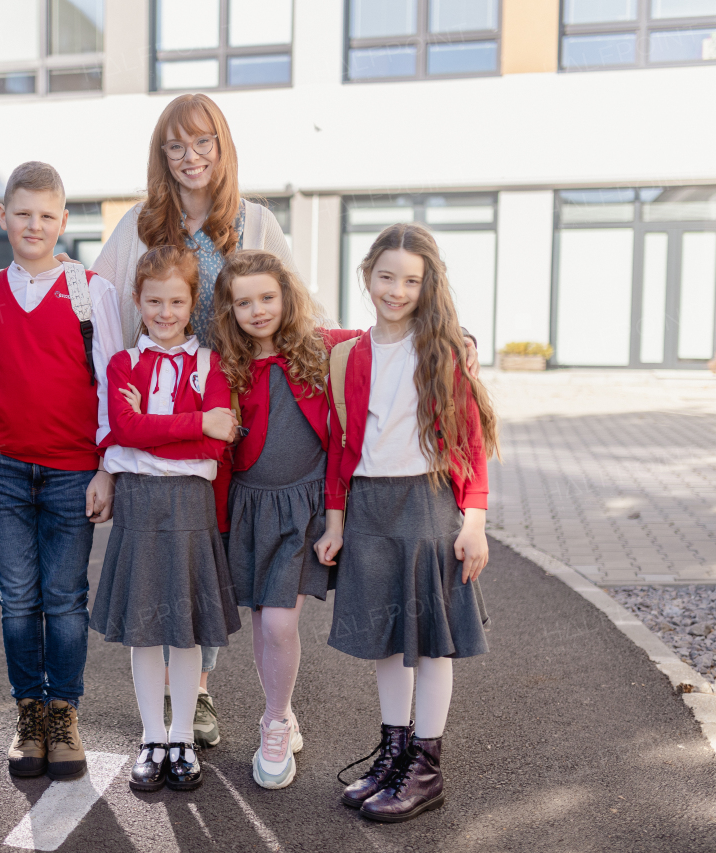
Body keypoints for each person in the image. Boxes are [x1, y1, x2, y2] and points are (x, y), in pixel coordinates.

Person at [91, 92, 298, 747]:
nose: (190, 157)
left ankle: (278, 710)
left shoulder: (257, 223)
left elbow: (298, 314)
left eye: (203, 142)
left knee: (244, 561)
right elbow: (100, 315)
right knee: (184, 553)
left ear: (223, 147)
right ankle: (196, 698)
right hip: (169, 425)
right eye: (175, 146)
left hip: (243, 411)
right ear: (162, 156)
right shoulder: (139, 227)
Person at [315, 223, 499, 823]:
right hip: (368, 506)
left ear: (428, 286)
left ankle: (426, 766)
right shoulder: (347, 353)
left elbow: (471, 441)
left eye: (411, 281)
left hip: (428, 505)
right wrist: (336, 521)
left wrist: (474, 520)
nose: (396, 290)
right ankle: (394, 752)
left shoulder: (444, 350)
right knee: (386, 639)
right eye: (386, 277)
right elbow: (341, 446)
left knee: (430, 642)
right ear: (367, 276)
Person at [0, 161, 123, 781]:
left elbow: (110, 381)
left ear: (63, 222)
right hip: (2, 469)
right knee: (18, 599)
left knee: (65, 598)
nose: (34, 225)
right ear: (2, 217)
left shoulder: (88, 290)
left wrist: (107, 469)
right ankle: (29, 714)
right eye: (22, 213)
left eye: (47, 215)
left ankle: (64, 713)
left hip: (73, 470)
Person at [209, 249, 363, 789]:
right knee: (263, 624)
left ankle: (275, 721)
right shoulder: (223, 364)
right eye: (243, 302)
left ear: (286, 296)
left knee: (280, 623)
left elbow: (390, 336)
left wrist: (459, 338)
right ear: (228, 310)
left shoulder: (325, 347)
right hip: (250, 508)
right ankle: (279, 710)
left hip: (307, 507)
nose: (257, 310)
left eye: (267, 297)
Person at [91, 246, 241, 793]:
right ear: (138, 300)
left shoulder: (211, 365)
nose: (165, 312)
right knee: (146, 628)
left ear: (192, 301)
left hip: (190, 505)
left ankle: (181, 736)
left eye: (176, 301)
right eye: (154, 301)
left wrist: (161, 426)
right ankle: (152, 736)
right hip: (139, 503)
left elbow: (216, 444)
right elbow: (123, 430)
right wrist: (193, 422)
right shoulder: (122, 364)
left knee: (187, 630)